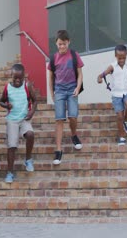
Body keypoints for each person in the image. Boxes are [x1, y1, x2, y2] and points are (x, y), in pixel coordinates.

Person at [47, 30, 84, 165]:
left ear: (69, 42)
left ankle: (74, 135)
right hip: (59, 91)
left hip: (72, 89)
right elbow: (50, 77)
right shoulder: (53, 58)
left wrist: (78, 87)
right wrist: (52, 93)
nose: (62, 46)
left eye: (64, 44)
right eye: (59, 44)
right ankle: (58, 150)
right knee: (59, 120)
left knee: (73, 116)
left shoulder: (74, 55)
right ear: (56, 44)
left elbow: (80, 73)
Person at [0, 64, 37, 183]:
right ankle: (10, 173)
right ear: (11, 76)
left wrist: (31, 112)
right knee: (12, 146)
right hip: (12, 120)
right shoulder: (7, 88)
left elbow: (35, 100)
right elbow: (1, 101)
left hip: (24, 118)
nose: (17, 80)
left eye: (20, 78)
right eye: (15, 77)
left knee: (30, 134)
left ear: (23, 76)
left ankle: (28, 159)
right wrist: (6, 105)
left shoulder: (27, 86)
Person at [97, 44, 127, 146]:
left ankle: (126, 121)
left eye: (124, 57)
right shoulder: (112, 66)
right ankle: (121, 137)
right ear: (115, 56)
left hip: (126, 91)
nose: (122, 60)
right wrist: (100, 78)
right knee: (119, 116)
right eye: (119, 58)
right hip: (116, 94)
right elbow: (101, 74)